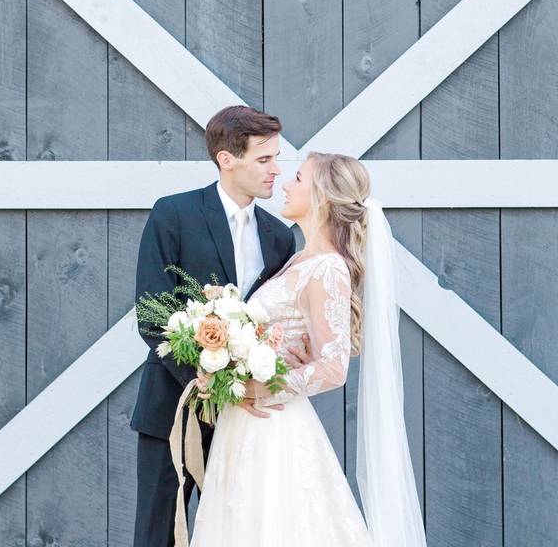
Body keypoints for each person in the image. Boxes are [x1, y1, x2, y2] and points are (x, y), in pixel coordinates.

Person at [188, 152, 427, 546]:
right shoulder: (300, 258)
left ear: (321, 197)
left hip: (274, 423)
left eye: (297, 178)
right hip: (247, 422)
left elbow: (333, 367)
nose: (284, 183)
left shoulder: (327, 268)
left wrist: (261, 387)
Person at [130, 105, 308, 547]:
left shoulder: (279, 236)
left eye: (276, 158)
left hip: (248, 419)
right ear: (227, 159)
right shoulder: (173, 214)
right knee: (157, 536)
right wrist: (209, 380)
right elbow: (153, 315)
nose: (275, 171)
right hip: (172, 407)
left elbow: (277, 323)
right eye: (264, 159)